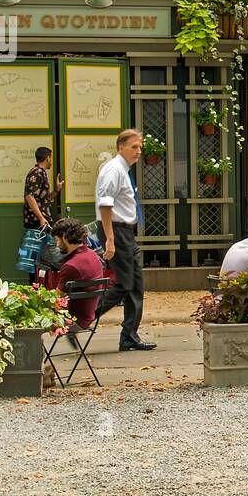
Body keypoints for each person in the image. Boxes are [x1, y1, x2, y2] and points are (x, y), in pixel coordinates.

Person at [94, 130, 155, 352]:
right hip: (116, 231)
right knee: (125, 284)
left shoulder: (124, 170)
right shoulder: (113, 170)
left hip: (125, 232)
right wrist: (110, 239)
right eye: (134, 147)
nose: (138, 151)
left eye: (140, 147)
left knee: (136, 285)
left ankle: (129, 335)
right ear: (121, 147)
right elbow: (105, 204)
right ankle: (80, 320)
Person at [50, 217, 105, 333]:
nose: (57, 244)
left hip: (71, 321)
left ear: (64, 237)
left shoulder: (71, 266)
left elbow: (54, 298)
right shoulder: (92, 255)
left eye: (57, 240)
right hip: (87, 317)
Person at [23, 146, 62, 232]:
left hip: (40, 222)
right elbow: (29, 196)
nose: (51, 161)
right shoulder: (37, 173)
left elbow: (44, 199)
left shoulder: (40, 173)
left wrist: (56, 190)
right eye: (51, 158)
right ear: (47, 158)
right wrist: (41, 218)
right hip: (37, 222)